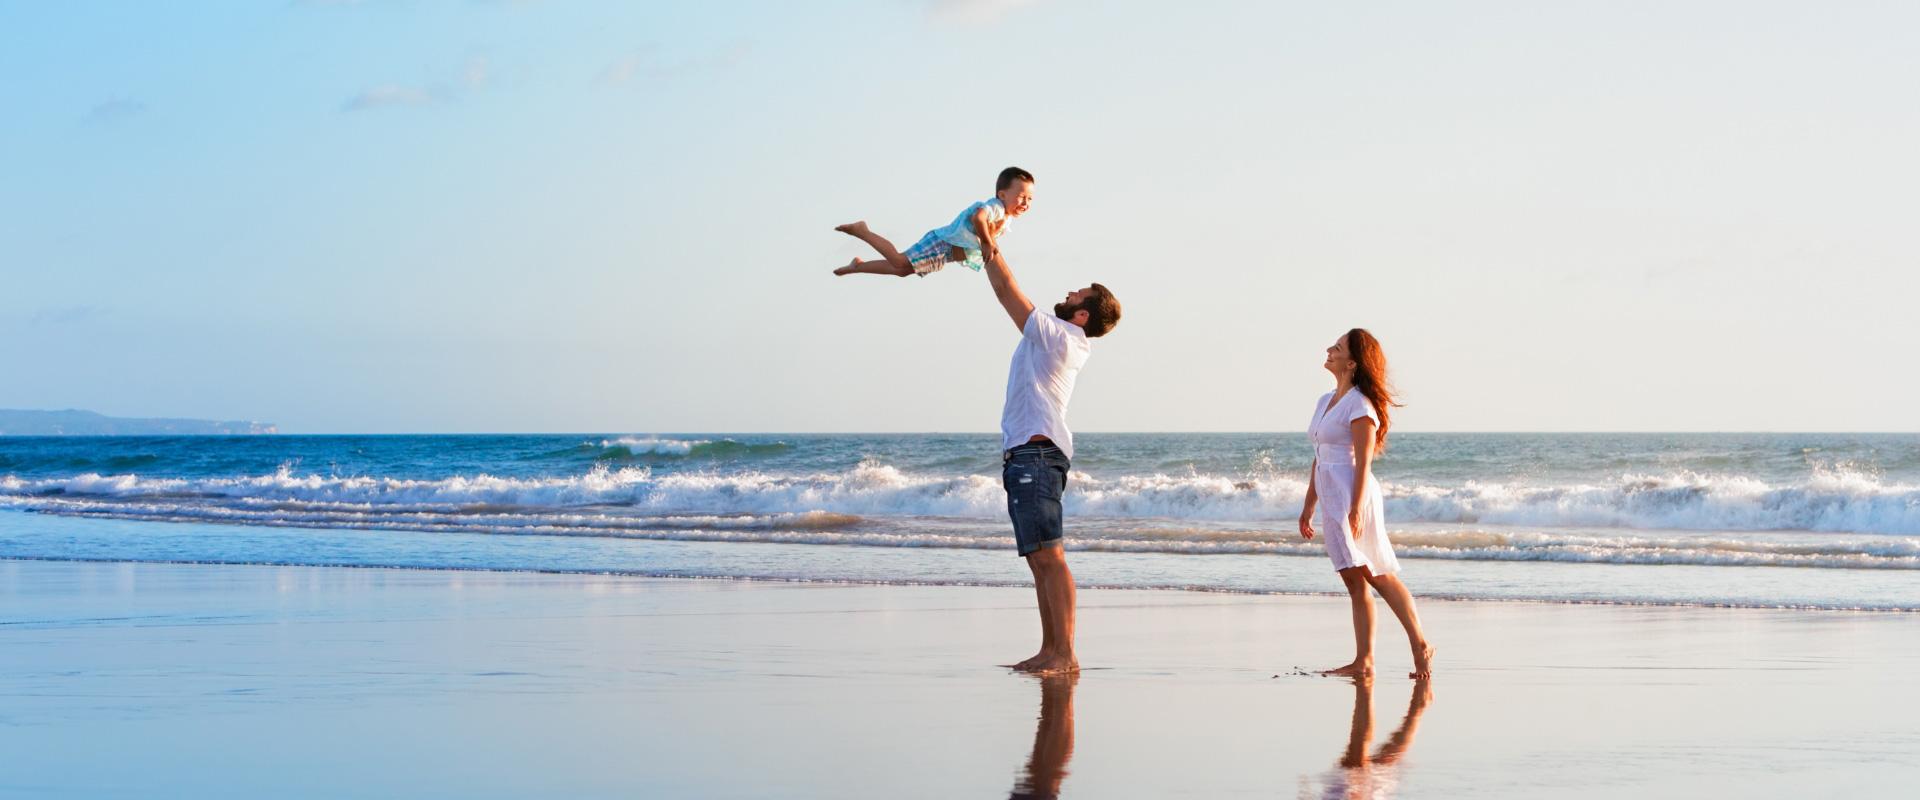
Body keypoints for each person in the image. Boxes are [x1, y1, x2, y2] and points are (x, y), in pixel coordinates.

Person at [981, 249, 1120, 674]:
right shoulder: (1054, 336)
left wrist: (987, 240)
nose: (1069, 292)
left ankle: (1064, 654)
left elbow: (1006, 290)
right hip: (1027, 454)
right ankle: (1050, 650)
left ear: (1082, 316)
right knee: (1038, 559)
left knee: (1049, 557)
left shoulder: (1061, 336)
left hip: (1037, 455)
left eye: (1079, 293)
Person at [1298, 328, 1436, 679]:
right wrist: (1308, 504)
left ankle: (1419, 643)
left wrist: (1357, 507)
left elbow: (1364, 461)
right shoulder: (1324, 401)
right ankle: (1365, 660)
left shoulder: (1360, 405)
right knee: (1352, 578)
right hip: (1330, 493)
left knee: (1376, 572)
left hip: (1352, 493)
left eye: (1338, 348)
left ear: (1352, 363)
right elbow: (1319, 455)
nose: (1329, 350)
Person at [833, 167, 1034, 278]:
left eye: (1030, 199)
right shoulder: (995, 207)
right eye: (1021, 196)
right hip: (941, 242)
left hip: (946, 254)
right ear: (1002, 194)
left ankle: (857, 267)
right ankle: (863, 231)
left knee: (902, 271)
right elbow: (978, 218)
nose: (1025, 203)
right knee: (900, 262)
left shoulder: (1005, 218)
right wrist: (988, 242)